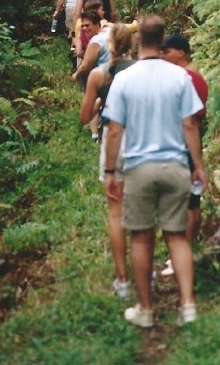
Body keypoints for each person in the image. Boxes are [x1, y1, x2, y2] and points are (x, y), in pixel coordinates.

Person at [102, 15, 207, 329]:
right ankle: (188, 306)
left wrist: (110, 171)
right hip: (175, 166)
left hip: (137, 168)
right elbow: (190, 124)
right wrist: (198, 165)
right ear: (162, 40)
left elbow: (116, 130)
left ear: (138, 40)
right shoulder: (180, 78)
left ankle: (146, 309)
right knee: (177, 238)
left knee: (141, 239)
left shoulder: (125, 79)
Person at [80, 23, 135, 298]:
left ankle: (122, 280)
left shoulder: (98, 76)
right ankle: (144, 271)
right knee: (141, 212)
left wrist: (100, 105)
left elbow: (83, 116)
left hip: (113, 142)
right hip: (140, 142)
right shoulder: (141, 71)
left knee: (115, 214)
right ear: (132, 44)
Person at [160, 33, 209, 275]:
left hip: (183, 143)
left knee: (186, 202)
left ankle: (182, 253)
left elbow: (190, 118)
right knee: (191, 200)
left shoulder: (187, 77)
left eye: (167, 52)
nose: (163, 57)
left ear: (181, 52)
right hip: (187, 142)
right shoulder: (192, 75)